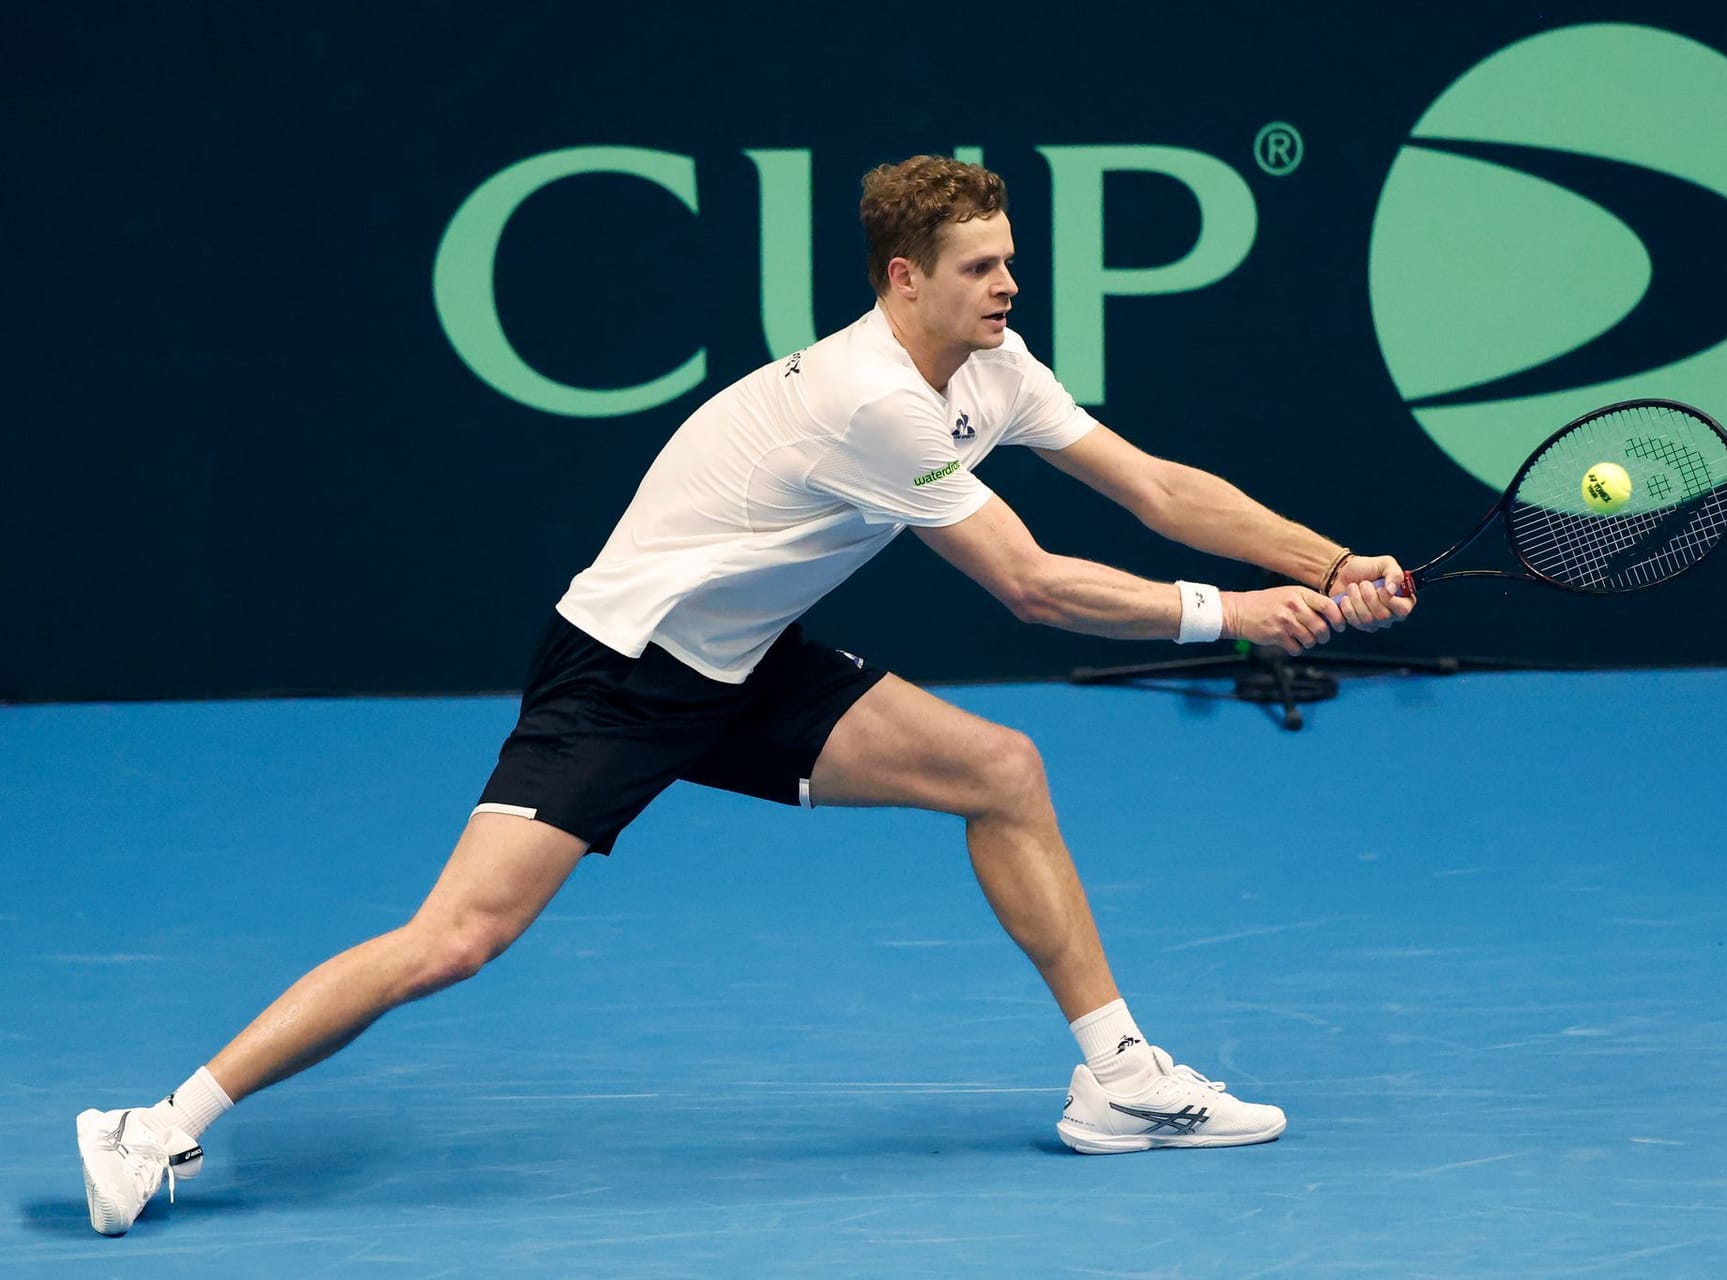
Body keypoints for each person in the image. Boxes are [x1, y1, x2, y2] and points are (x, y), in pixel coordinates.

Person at [76, 154, 1415, 1235]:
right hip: (623, 675)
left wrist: (1332, 562)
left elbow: (1161, 489)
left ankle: (1117, 1080)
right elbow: (1030, 586)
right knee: (454, 943)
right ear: (906, 279)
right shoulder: (869, 402)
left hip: (746, 656)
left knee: (1001, 770)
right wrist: (1228, 617)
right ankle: (160, 1122)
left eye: (1012, 257)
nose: (1013, 281)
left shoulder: (994, 366)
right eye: (983, 266)